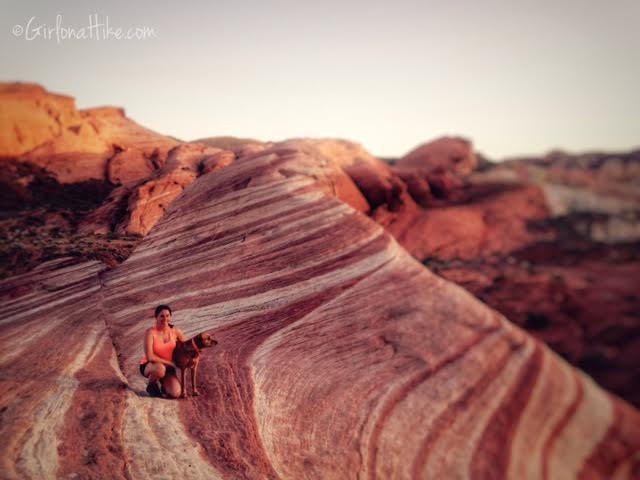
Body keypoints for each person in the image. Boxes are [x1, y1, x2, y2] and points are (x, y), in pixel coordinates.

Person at [139, 304, 187, 398]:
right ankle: (151, 386)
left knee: (176, 393)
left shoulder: (175, 331)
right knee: (160, 369)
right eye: (162, 316)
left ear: (171, 317)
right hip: (151, 365)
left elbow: (187, 346)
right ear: (156, 317)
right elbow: (150, 356)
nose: (165, 318)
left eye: (167, 316)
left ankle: (164, 386)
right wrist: (170, 362)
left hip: (168, 368)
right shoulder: (150, 332)